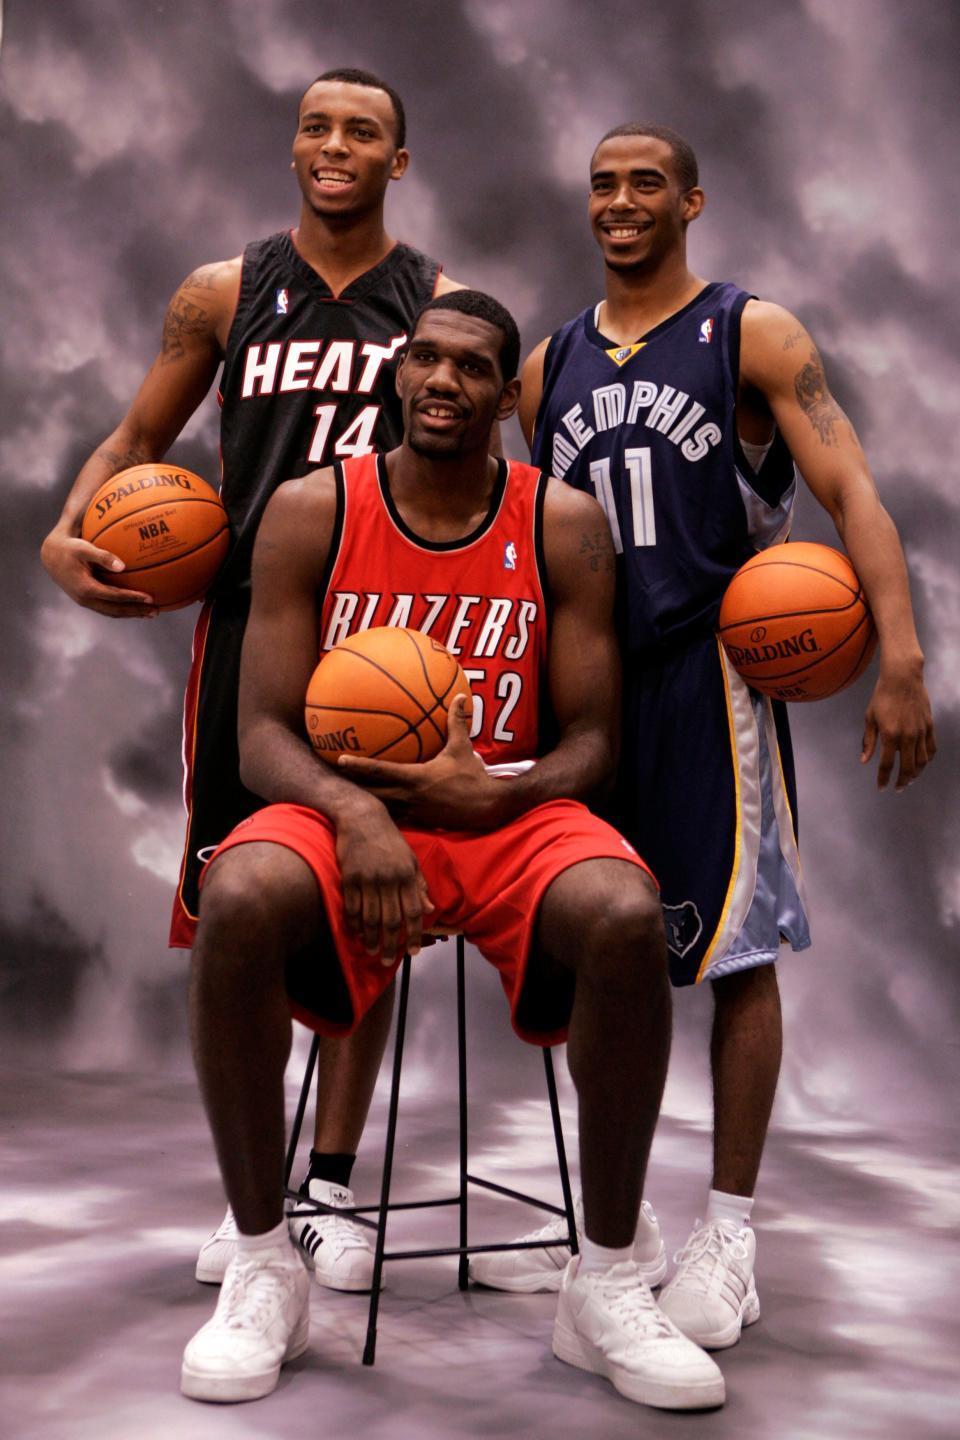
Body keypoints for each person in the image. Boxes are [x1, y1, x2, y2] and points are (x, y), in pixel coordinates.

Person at [180, 289, 726, 1410]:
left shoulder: (560, 520)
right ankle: (263, 1256)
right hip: (344, 808)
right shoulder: (310, 507)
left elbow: (594, 743)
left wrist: (494, 794)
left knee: (626, 913)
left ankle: (607, 1276)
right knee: (237, 892)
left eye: (472, 367)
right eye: (424, 358)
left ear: (504, 392)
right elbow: (261, 734)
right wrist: (361, 814)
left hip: (502, 808)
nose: (442, 380)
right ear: (400, 372)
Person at [467, 124, 936, 1350]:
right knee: (591, 958)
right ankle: (618, 1233)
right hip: (589, 697)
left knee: (734, 956)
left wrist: (903, 653)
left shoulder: (752, 332)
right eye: (604, 185)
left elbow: (854, 491)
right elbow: (537, 544)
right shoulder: (548, 361)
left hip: (711, 678)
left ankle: (731, 1230)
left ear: (692, 200)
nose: (621, 203)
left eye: (646, 184)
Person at [40, 68, 472, 1289]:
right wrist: (64, 535)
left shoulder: (436, 302)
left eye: (365, 132)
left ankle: (330, 1187)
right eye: (318, 126)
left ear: (400, 159)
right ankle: (256, 1199)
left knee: (374, 910)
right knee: (249, 901)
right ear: (295, 146)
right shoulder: (224, 292)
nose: (336, 145)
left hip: (389, 633)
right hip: (250, 631)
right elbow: (134, 444)